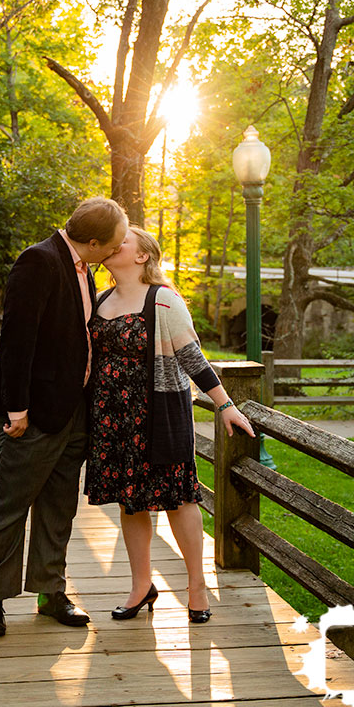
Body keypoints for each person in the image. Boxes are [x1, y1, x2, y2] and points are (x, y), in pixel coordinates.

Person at [0, 197, 129, 637]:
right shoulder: (37, 261)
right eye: (115, 242)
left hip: (72, 411)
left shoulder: (86, 267)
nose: (118, 249)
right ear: (95, 241)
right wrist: (17, 409)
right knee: (10, 504)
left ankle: (50, 591)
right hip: (30, 413)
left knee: (59, 504)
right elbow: (16, 342)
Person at [85, 226, 255, 624]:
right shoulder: (100, 299)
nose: (113, 243)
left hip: (158, 414)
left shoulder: (162, 300)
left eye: (122, 240)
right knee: (132, 502)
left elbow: (192, 356)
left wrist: (224, 404)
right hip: (113, 419)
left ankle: (197, 586)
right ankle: (141, 585)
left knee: (179, 498)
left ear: (143, 256)